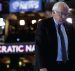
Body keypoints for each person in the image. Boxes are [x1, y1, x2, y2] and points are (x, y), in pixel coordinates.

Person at [35, 1, 75, 71]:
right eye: (62, 14)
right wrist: (42, 66)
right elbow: (39, 47)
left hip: (68, 66)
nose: (64, 17)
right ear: (53, 12)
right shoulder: (44, 24)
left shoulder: (70, 26)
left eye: (66, 14)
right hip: (50, 66)